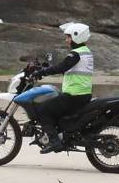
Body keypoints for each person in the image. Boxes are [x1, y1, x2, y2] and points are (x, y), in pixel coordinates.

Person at [32, 22, 94, 154]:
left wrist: (41, 73)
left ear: (76, 36)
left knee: (42, 109)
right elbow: (63, 66)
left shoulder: (76, 54)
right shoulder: (86, 52)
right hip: (82, 94)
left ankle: (55, 142)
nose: (67, 40)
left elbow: (62, 67)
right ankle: (60, 135)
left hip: (74, 96)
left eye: (68, 37)